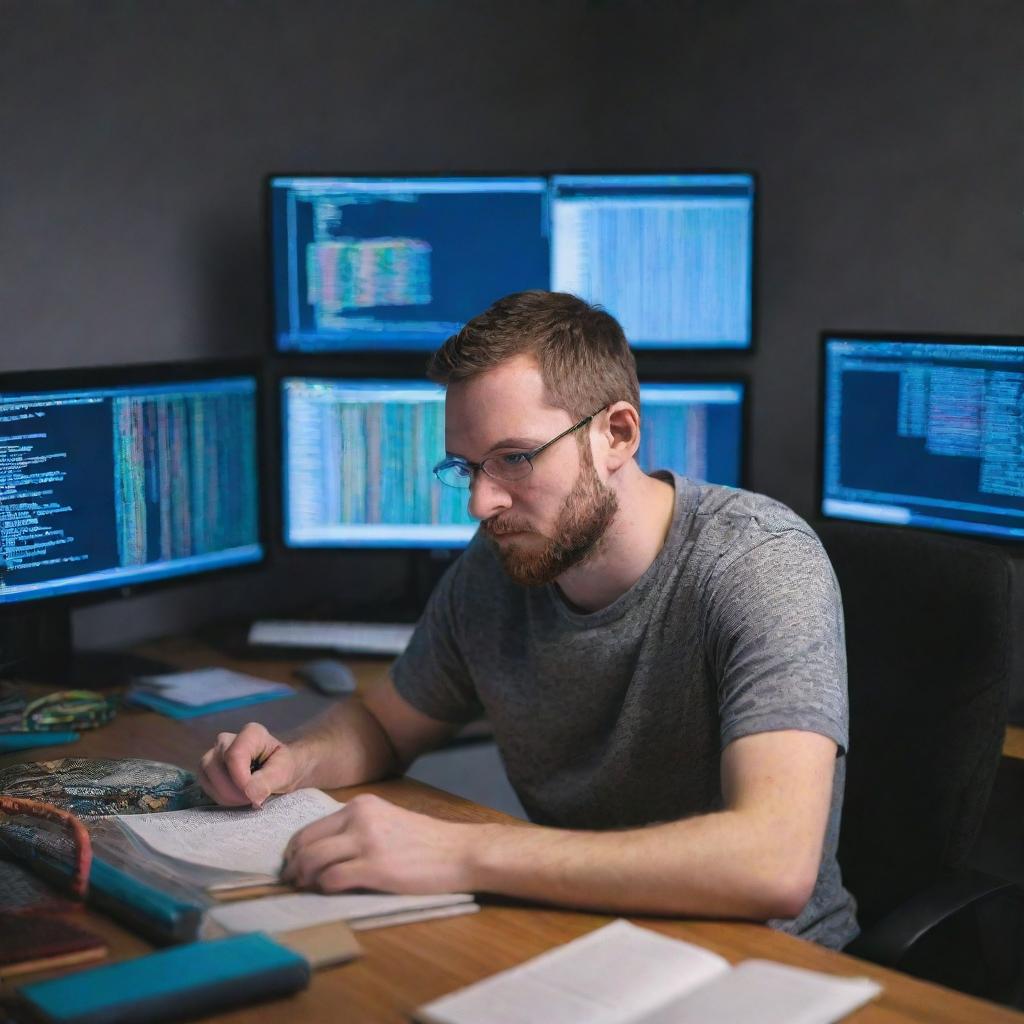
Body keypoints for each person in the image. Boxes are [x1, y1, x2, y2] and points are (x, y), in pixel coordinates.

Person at [198, 290, 858, 949]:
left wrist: (460, 853)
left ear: (617, 435)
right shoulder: (497, 568)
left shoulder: (757, 563)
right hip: (585, 931)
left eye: (515, 459)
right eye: (467, 467)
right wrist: (294, 762)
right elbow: (382, 725)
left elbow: (774, 862)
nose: (482, 503)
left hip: (767, 960)